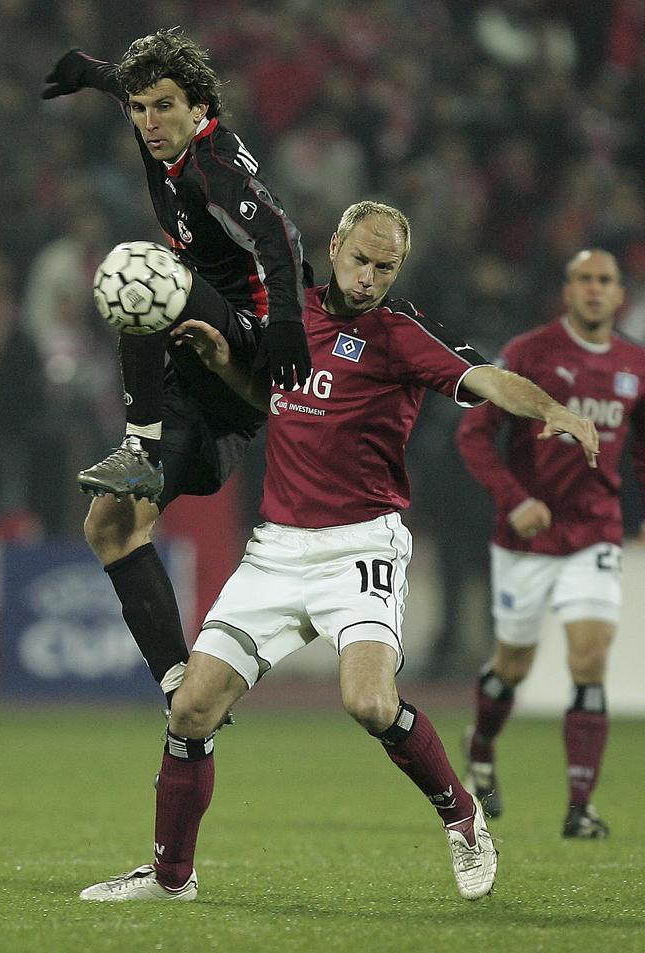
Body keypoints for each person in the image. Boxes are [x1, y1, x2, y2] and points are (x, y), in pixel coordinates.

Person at [79, 202, 599, 904]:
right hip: (277, 549)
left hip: (361, 544)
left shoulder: (398, 337)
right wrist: (225, 362)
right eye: (361, 259)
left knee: (368, 699)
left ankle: (465, 819)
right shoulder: (293, 322)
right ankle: (172, 878)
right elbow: (274, 396)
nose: (370, 277)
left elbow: (487, 378)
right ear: (335, 247)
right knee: (191, 709)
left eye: (386, 267)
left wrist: (554, 410)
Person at [42, 29, 310, 705]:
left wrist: (286, 325)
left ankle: (139, 444)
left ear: (199, 108)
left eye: (163, 106)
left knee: (142, 272)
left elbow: (281, 237)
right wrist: (87, 69)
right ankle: (180, 688)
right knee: (109, 525)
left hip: (244, 343)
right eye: (138, 109)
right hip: (193, 376)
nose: (148, 121)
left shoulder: (216, 165)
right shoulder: (157, 127)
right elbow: (123, 82)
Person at [457, 249, 645, 838]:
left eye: (605, 281)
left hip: (595, 529)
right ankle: (481, 747)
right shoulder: (528, 353)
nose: (594, 289)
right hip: (525, 537)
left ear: (620, 296)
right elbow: (473, 435)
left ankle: (578, 808)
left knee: (589, 659)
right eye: (584, 279)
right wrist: (516, 501)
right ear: (567, 292)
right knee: (513, 665)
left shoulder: (635, 364)